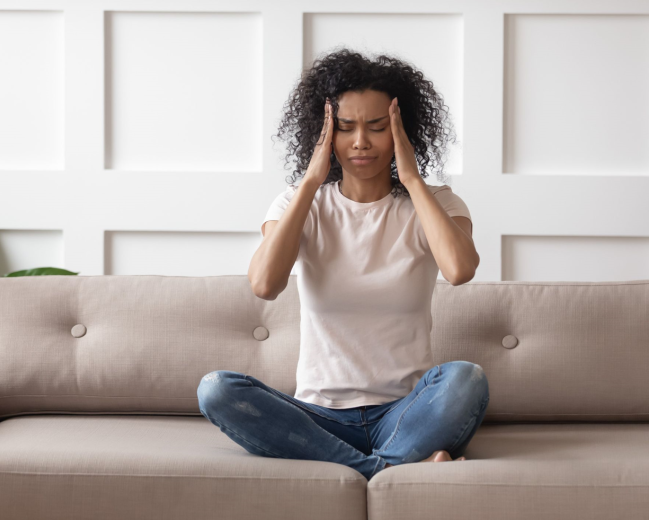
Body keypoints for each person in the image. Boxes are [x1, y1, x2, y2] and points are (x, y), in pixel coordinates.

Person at [198, 48, 488, 481]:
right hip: (320, 415)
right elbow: (263, 284)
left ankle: (361, 466)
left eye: (377, 127)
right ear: (323, 133)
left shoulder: (438, 203)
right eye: (345, 128)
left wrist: (411, 179)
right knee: (217, 389)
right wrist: (312, 181)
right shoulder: (296, 204)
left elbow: (460, 270)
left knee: (467, 378)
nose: (360, 142)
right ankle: (391, 470)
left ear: (402, 131)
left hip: (405, 412)